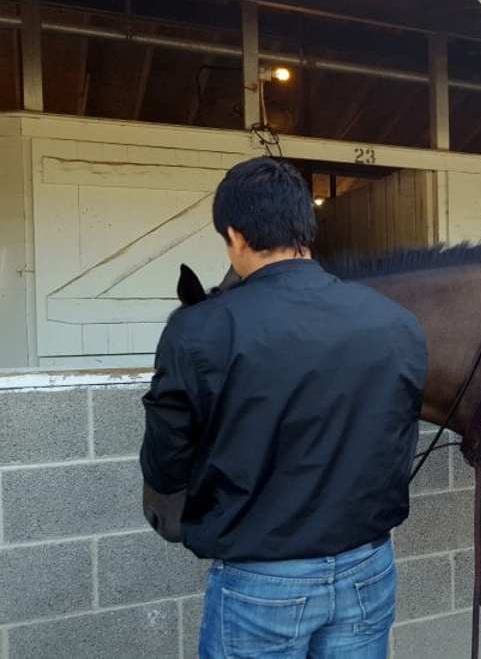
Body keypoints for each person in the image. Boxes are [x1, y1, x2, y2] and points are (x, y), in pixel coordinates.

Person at [140, 157, 427, 659]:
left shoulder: (199, 330)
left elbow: (167, 459)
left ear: (234, 235)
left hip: (262, 579)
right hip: (369, 566)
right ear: (304, 227)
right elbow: (397, 440)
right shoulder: (396, 324)